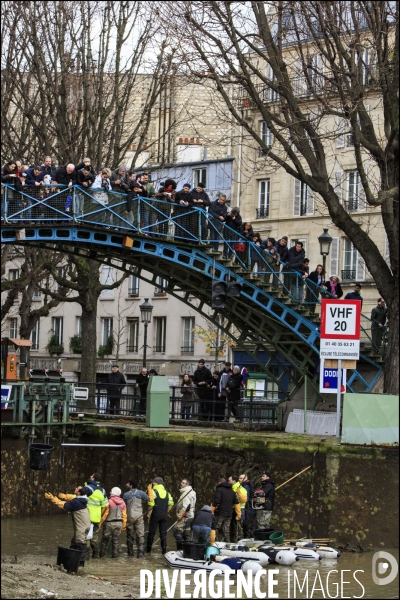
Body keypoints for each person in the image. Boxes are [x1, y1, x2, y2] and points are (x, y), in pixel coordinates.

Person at [57, 472, 108, 559]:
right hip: (96, 518)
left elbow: (78, 497)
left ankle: (85, 558)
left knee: (84, 538)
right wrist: (100, 517)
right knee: (94, 538)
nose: (90, 476)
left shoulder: (88, 488)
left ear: (93, 478)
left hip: (86, 516)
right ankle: (97, 556)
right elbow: (105, 505)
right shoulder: (103, 491)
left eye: (91, 476)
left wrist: (65, 497)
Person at [44, 485, 93, 560]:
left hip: (81, 529)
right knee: (74, 543)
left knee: (81, 545)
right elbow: (72, 498)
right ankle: (72, 560)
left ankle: (80, 564)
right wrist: (65, 496)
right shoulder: (83, 499)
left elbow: (63, 505)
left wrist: (52, 498)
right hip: (87, 527)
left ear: (79, 493)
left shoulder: (77, 502)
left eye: (77, 489)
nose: (75, 488)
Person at [146, 477, 174, 554]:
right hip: (164, 515)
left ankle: (148, 551)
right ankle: (164, 551)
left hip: (155, 515)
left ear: (156, 483)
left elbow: (151, 504)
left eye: (153, 482)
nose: (152, 484)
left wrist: (148, 515)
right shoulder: (167, 493)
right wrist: (167, 512)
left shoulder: (153, 492)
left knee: (151, 533)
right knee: (163, 534)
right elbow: (171, 504)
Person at [123, 479, 149, 558]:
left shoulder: (126, 494)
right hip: (139, 516)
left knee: (130, 535)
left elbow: (123, 505)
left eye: (128, 483)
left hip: (130, 516)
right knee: (140, 534)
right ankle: (140, 553)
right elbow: (148, 499)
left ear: (131, 485)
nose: (127, 484)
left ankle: (130, 553)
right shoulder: (141, 493)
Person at [99, 487, 127, 558]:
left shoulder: (109, 501)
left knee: (104, 540)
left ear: (114, 492)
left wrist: (100, 523)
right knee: (116, 541)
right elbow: (124, 516)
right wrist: (124, 525)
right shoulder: (123, 503)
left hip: (109, 523)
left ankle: (101, 556)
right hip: (119, 523)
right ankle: (115, 557)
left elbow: (105, 513)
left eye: (111, 491)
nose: (110, 492)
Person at [211, 477, 241, 543]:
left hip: (220, 512)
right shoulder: (232, 491)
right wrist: (239, 513)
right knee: (226, 529)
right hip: (229, 513)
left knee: (216, 528)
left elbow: (217, 501)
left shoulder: (219, 490)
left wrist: (212, 510)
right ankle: (228, 543)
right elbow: (236, 502)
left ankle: (216, 542)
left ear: (219, 483)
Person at [173, 477, 196, 544]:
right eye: (181, 482)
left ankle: (181, 548)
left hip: (186, 516)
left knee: (177, 531)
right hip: (190, 515)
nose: (181, 483)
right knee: (186, 532)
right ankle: (187, 548)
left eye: (183, 483)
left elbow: (186, 506)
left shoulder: (186, 493)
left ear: (187, 484)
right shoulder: (192, 492)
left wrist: (180, 515)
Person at [228, 475, 248, 542]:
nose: (228, 482)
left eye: (229, 480)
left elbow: (244, 500)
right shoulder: (233, 488)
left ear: (234, 481)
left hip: (240, 509)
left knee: (239, 527)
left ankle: (239, 541)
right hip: (233, 509)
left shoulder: (240, 489)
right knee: (234, 526)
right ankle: (234, 540)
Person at [239, 473, 256, 539]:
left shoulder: (246, 486)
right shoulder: (250, 485)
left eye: (240, 478)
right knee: (250, 524)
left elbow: (246, 498)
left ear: (245, 479)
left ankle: (248, 538)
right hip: (251, 507)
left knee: (248, 525)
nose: (239, 479)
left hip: (248, 508)